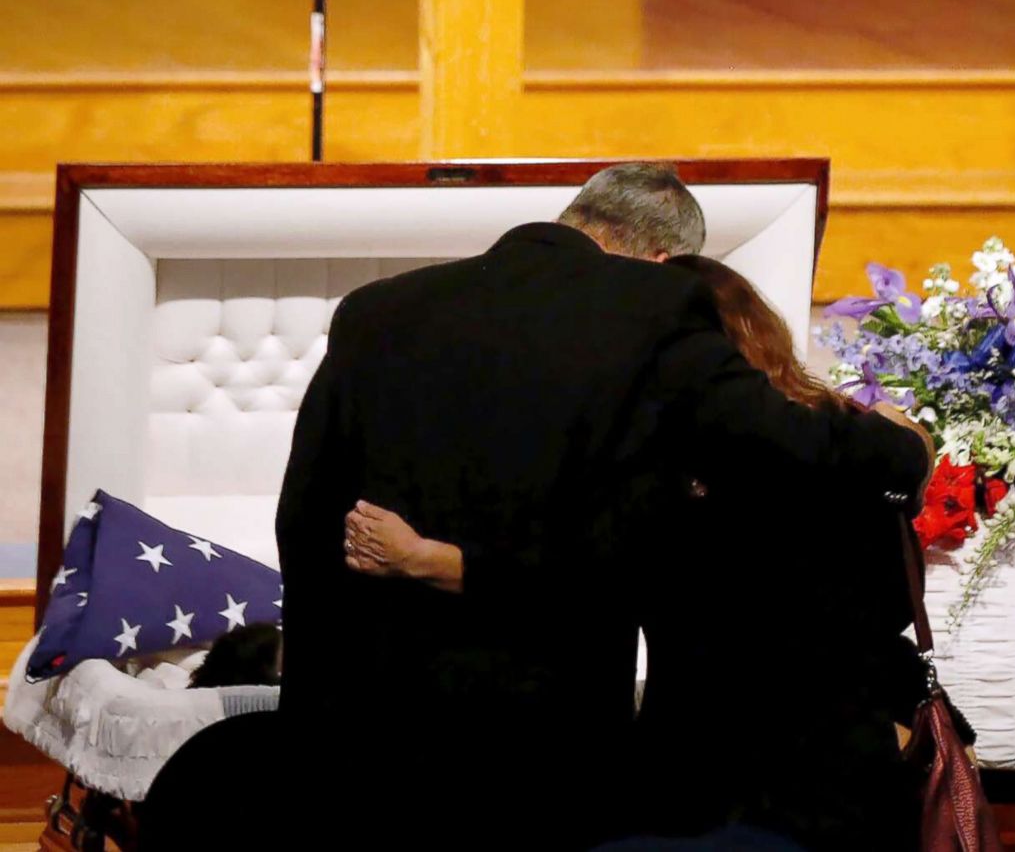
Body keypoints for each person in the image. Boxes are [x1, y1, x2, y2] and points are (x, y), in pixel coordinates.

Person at [265, 163, 933, 849]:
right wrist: (903, 445)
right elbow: (780, 439)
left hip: (370, 721)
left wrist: (313, 715)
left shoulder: (377, 309)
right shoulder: (651, 308)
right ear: (665, 260)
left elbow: (305, 515)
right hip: (543, 737)